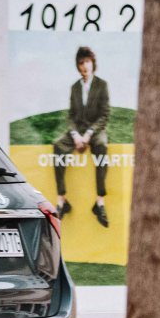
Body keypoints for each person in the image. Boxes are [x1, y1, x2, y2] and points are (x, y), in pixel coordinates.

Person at [53, 46, 110, 227]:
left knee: (102, 147)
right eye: (81, 63)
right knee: (58, 146)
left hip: (95, 131)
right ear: (77, 66)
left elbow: (105, 114)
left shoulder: (102, 85)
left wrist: (89, 134)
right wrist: (76, 135)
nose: (84, 66)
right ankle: (62, 199)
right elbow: (71, 115)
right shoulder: (75, 88)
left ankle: (99, 202)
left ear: (93, 63)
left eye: (87, 62)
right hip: (78, 131)